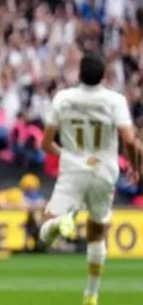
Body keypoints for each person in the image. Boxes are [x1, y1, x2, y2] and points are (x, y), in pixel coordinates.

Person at [41, 53, 142, 305]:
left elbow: (45, 142)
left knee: (44, 233)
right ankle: (91, 293)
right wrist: (135, 165)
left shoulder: (63, 98)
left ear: (79, 74)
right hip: (104, 171)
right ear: (105, 76)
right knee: (97, 231)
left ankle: (61, 221)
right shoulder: (115, 100)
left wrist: (66, 155)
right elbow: (129, 140)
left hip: (73, 170)